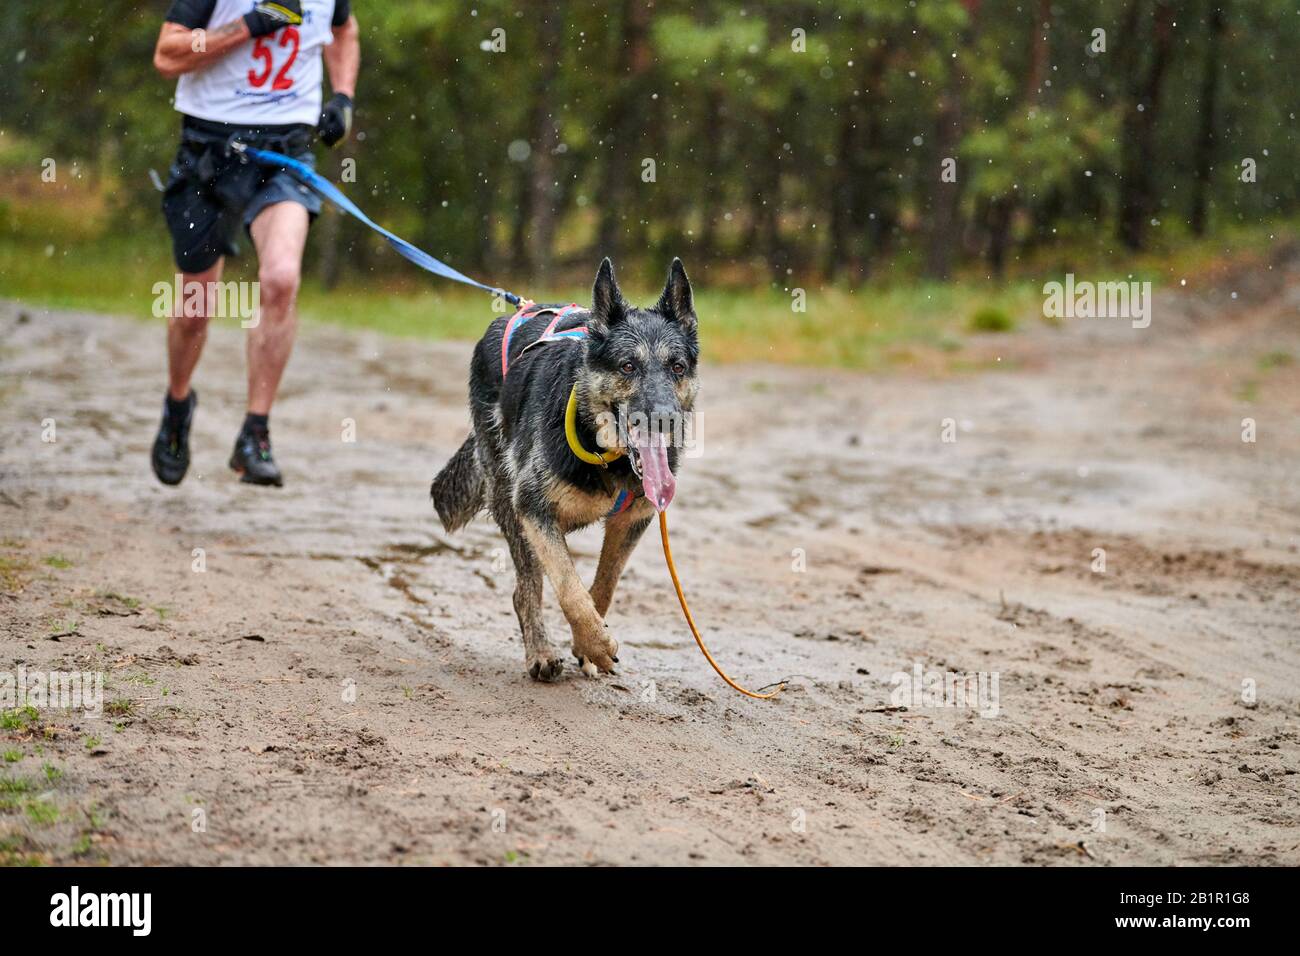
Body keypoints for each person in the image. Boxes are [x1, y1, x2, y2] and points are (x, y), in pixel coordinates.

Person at [150, 1, 360, 487]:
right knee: (194, 308)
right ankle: (178, 402)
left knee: (281, 279)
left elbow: (345, 32)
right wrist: (246, 28)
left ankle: (254, 433)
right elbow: (167, 54)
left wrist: (343, 96)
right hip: (210, 151)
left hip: (284, 154)